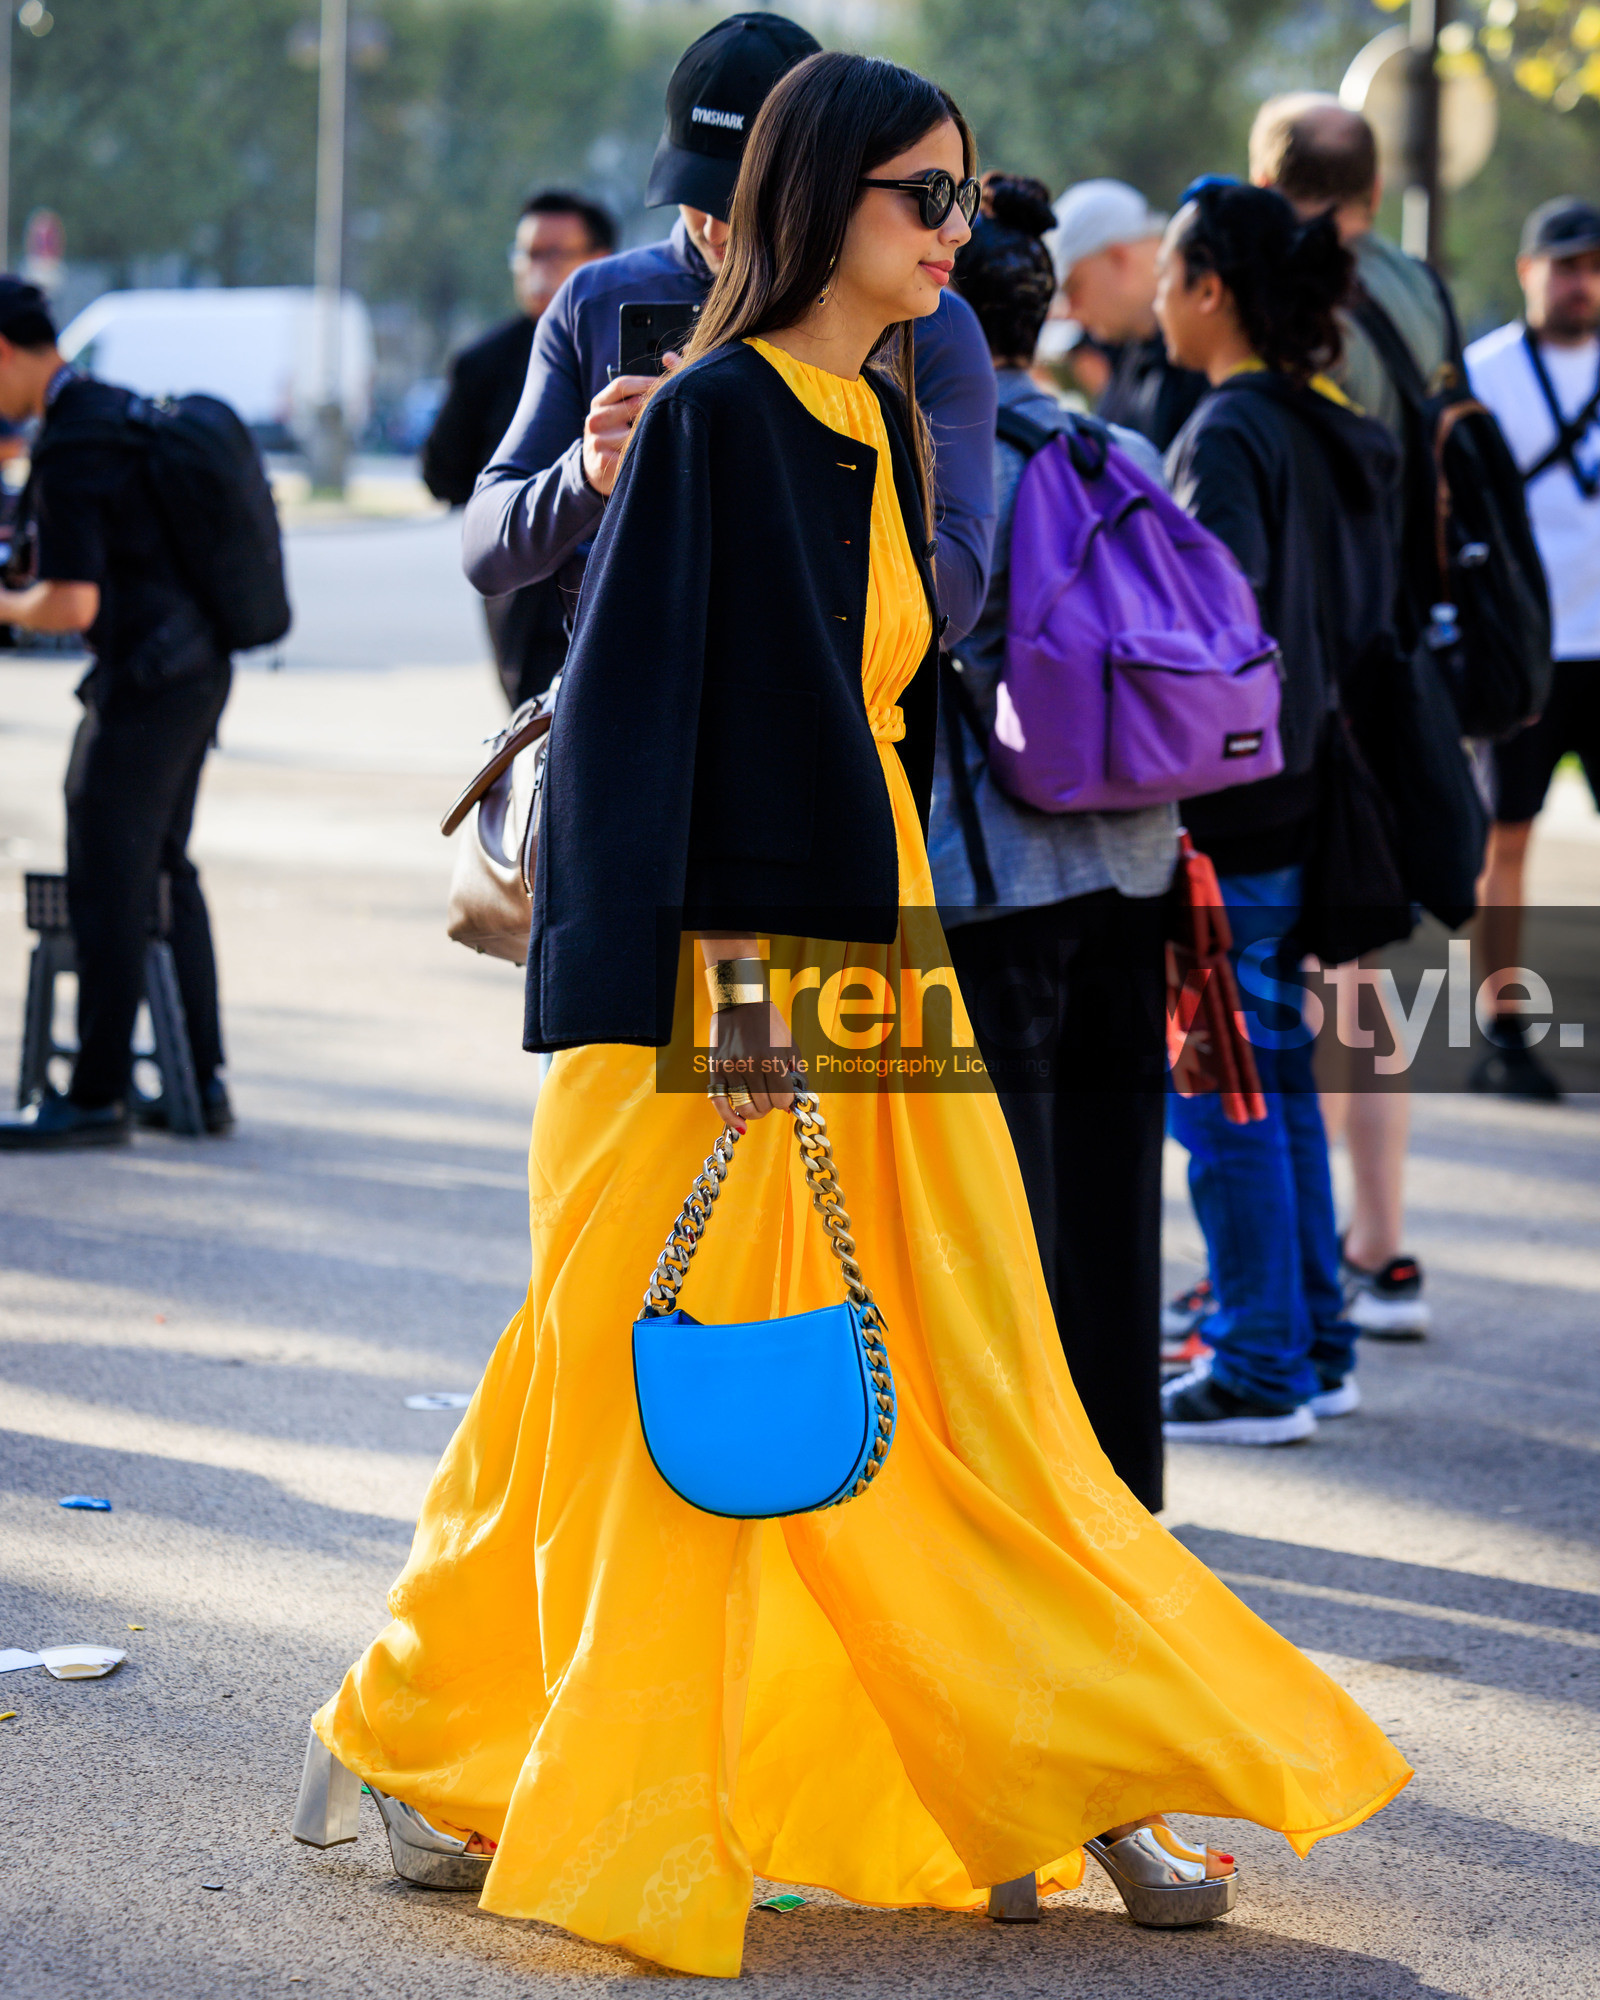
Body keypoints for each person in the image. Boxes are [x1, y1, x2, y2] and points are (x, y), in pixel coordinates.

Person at [292, 59, 1410, 1976]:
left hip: (871, 957)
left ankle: (1058, 1770)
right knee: (630, 1395)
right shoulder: (720, 414)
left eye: (969, 201)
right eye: (927, 199)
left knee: (964, 1370)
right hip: (729, 985)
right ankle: (452, 1741)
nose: (962, 237)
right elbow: (644, 721)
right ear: (818, 202)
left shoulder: (876, 413)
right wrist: (730, 1006)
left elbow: (889, 704)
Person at [461, 11, 998, 646]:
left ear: (810, 186)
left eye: (737, 201)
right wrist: (586, 473)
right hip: (637, 695)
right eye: (693, 194)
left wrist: (795, 462)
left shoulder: (920, 323)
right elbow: (486, 552)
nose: (715, 228)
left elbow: (956, 602)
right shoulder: (598, 298)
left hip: (844, 716)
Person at [926, 176, 1175, 1513]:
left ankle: (1027, 1511)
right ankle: (1127, 1497)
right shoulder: (1112, 453)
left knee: (999, 1228)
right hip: (1131, 872)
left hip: (993, 887)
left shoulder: (951, 469)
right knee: (1113, 1212)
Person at [1156, 184, 1401, 1441]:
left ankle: (1258, 1366)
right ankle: (1313, 1338)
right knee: (1278, 1076)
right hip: (1314, 797)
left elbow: (1213, 625)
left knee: (1220, 1089)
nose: (1152, 294)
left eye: (1167, 271)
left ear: (1209, 290)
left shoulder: (1226, 432)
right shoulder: (1327, 422)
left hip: (1233, 814)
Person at [1244, 92, 1449, 1338]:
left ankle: (1311, 1261)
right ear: (1372, 184)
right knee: (1364, 966)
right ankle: (1380, 1237)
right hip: (1407, 651)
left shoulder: (1282, 287)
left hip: (1319, 665)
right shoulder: (1420, 287)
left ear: (1270, 180)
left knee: (1296, 973)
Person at [0, 280, 234, 1150]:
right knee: (167, 867)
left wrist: (6, 603)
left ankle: (93, 1095)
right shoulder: (116, 409)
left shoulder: (71, 440)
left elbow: (69, 603)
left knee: (108, 874)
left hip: (144, 681)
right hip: (195, 666)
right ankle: (200, 1083)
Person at [1467, 196, 1600, 1102]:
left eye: (1591, 266)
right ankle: (1502, 1028)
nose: (1579, 283)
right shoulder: (1484, 373)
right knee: (1505, 840)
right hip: (1525, 650)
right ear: (1528, 271)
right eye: (1563, 265)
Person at [422, 190, 615, 708]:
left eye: (556, 253)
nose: (538, 269)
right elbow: (442, 471)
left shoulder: (633, 345)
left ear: (600, 261)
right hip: (525, 588)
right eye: (528, 253)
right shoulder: (484, 362)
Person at [1049, 178, 1207, 451]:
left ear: (1119, 259)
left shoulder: (1205, 352)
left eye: (1073, 288)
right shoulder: (1133, 354)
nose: (1068, 310)